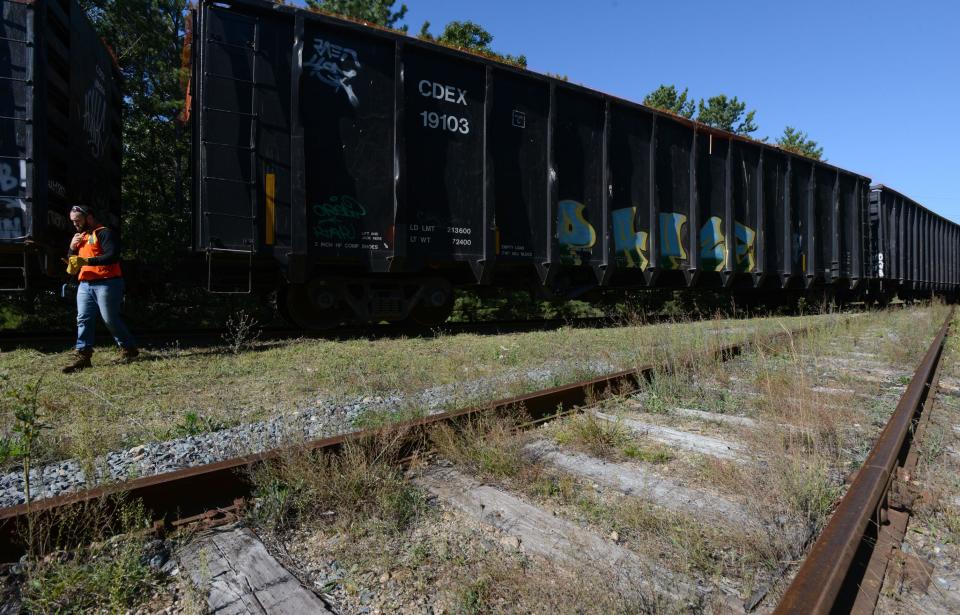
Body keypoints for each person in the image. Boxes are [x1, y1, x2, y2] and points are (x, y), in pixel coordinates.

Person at [62, 205, 138, 373]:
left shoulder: (105, 233)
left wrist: (87, 262)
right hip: (85, 284)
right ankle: (83, 355)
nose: (75, 225)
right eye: (73, 222)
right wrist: (71, 248)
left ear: (89, 217)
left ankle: (129, 349)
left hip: (107, 282)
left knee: (110, 319)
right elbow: (73, 260)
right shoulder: (80, 236)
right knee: (83, 318)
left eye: (78, 221)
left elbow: (112, 256)